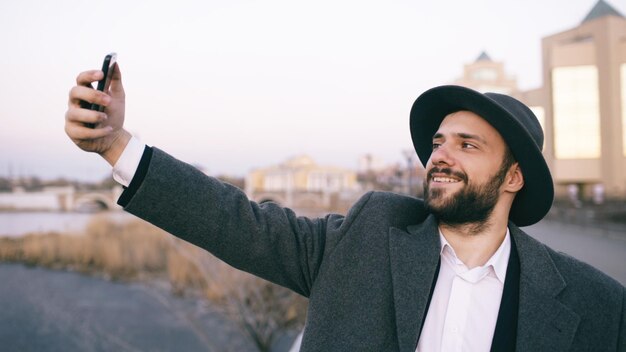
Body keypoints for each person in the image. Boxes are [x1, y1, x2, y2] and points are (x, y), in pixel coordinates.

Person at [65, 64, 625, 351]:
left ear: (514, 176)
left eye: (467, 145)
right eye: (438, 142)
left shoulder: (599, 305)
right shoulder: (367, 235)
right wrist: (116, 144)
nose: (441, 156)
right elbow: (239, 224)